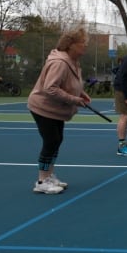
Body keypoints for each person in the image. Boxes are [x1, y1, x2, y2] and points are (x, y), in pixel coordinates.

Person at [27, 27, 92, 194]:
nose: (85, 46)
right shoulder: (60, 63)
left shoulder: (73, 61)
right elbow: (51, 88)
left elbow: (69, 84)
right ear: (71, 45)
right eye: (82, 43)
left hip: (56, 109)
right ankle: (42, 181)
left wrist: (81, 93)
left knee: (57, 140)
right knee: (51, 141)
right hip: (43, 107)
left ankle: (49, 176)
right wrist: (74, 99)